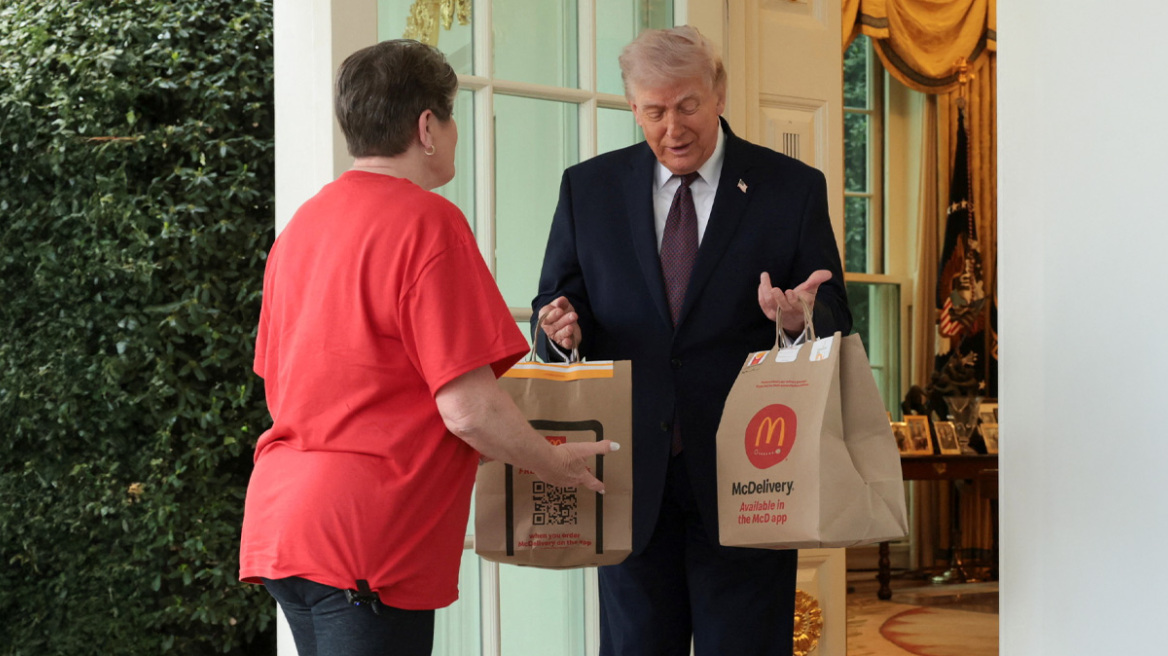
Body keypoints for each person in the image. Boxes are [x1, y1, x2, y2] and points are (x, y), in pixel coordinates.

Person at [240, 40, 617, 656]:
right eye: (449, 116)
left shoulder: (301, 229)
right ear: (426, 128)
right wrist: (552, 463)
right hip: (368, 540)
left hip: (285, 526)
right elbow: (467, 408)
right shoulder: (427, 222)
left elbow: (286, 378)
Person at [533, 26, 852, 655]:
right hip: (626, 482)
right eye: (654, 111)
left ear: (719, 94)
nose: (672, 128)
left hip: (752, 478)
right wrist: (558, 333)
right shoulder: (587, 189)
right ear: (634, 108)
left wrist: (794, 321)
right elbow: (554, 307)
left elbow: (835, 316)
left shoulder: (791, 188)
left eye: (688, 106)